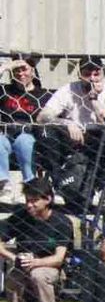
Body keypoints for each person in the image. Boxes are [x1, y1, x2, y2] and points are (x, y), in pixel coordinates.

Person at [36, 57, 105, 207]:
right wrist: (67, 123)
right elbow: (42, 116)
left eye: (96, 74)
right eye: (87, 74)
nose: (92, 78)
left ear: (102, 74)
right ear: (79, 74)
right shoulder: (68, 89)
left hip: (98, 136)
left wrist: (93, 98)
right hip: (71, 135)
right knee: (46, 132)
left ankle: (97, 188)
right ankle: (57, 185)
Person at [0, 175, 75, 302]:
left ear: (47, 199)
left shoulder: (61, 222)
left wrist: (35, 262)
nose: (29, 205)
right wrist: (14, 257)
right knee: (13, 276)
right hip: (24, 267)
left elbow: (58, 258)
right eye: (27, 200)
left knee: (38, 274)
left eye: (34, 201)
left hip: (52, 270)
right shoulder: (21, 217)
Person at [1, 58, 47, 202]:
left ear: (33, 71)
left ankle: (29, 185)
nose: (21, 73)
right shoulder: (5, 91)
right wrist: (5, 67)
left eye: (24, 69)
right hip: (5, 134)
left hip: (29, 135)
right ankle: (4, 186)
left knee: (24, 141)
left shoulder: (43, 95)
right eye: (16, 70)